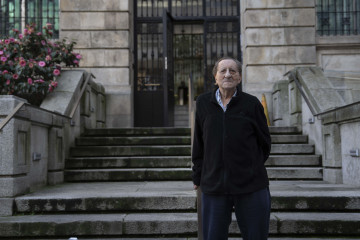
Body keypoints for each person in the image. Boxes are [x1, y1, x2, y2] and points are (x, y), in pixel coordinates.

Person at [192, 57, 271, 240]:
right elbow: (199, 144)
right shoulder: (203, 103)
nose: (228, 74)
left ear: (240, 77)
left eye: (233, 71)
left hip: (251, 185)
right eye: (223, 71)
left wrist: (251, 167)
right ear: (215, 77)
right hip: (214, 185)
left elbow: (264, 143)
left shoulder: (252, 104)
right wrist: (198, 174)